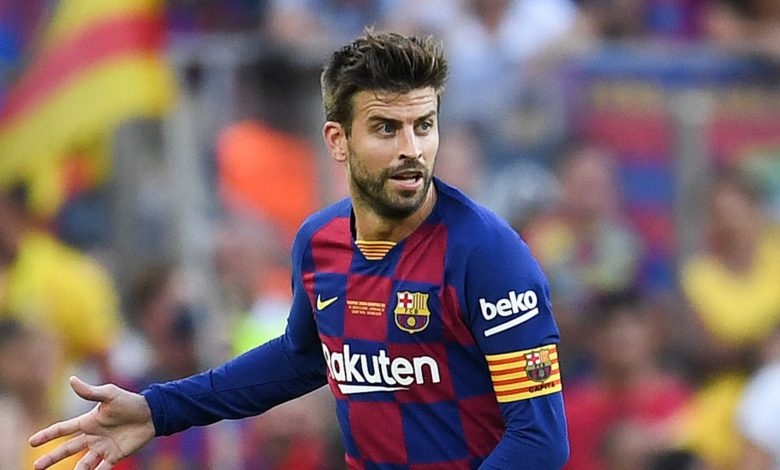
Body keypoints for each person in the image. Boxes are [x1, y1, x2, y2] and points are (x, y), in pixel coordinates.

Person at [29, 30, 569, 470]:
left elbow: (540, 440)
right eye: (386, 128)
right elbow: (303, 357)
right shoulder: (319, 243)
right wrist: (158, 410)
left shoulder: (489, 255)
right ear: (338, 140)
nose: (411, 149)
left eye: (423, 126)